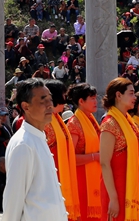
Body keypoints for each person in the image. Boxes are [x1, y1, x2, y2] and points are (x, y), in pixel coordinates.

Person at [2, 78, 68, 221]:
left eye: (50, 99)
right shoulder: (23, 144)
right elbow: (13, 199)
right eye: (43, 100)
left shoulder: (38, 137)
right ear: (26, 106)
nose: (50, 105)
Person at [100, 77, 139, 221]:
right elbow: (104, 163)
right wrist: (113, 198)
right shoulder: (109, 124)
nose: (134, 97)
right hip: (117, 188)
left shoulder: (128, 122)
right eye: (131, 93)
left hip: (132, 184)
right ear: (118, 95)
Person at [43, 79, 80, 220]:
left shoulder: (57, 119)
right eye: (64, 95)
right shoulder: (45, 121)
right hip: (52, 179)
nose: (66, 99)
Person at [67, 83, 102, 221]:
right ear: (81, 101)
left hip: (94, 174)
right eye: (92, 98)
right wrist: (94, 156)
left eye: (96, 98)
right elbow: (70, 157)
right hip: (81, 178)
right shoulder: (74, 123)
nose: (96, 101)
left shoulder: (92, 120)